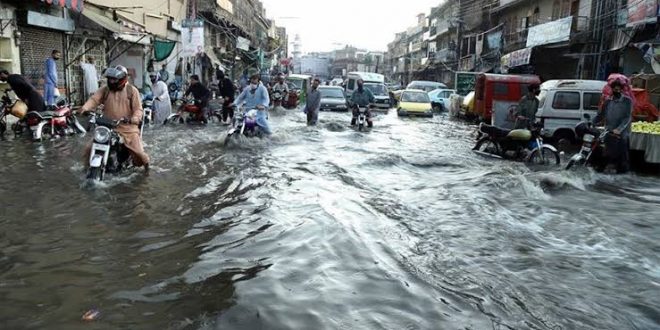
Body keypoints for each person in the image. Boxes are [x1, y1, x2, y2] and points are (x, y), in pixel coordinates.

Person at [79, 65, 150, 171]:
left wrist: (135, 118)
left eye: (114, 79)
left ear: (122, 79)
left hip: (128, 129)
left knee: (139, 154)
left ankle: (147, 168)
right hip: (108, 128)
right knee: (88, 149)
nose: (111, 81)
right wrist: (84, 108)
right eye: (110, 79)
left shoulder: (132, 91)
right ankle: (87, 169)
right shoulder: (105, 90)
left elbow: (138, 109)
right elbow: (94, 99)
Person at [593, 80, 633, 173]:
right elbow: (600, 115)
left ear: (621, 90)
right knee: (604, 149)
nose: (616, 92)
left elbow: (627, 117)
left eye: (618, 90)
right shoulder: (607, 101)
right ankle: (601, 168)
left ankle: (623, 171)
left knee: (622, 151)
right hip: (609, 130)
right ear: (612, 90)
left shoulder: (627, 101)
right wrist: (592, 122)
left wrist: (619, 129)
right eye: (615, 90)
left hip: (622, 132)